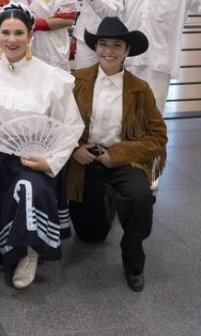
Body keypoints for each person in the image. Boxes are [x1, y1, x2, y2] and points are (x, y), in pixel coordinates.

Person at [0, 6, 83, 289]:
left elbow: (72, 126)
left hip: (31, 158)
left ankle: (29, 252)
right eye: (6, 33)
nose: (11, 40)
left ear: (30, 35)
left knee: (30, 188)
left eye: (19, 33)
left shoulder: (50, 77)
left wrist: (51, 162)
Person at [67, 17, 167, 293]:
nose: (108, 50)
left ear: (127, 51)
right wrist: (75, 150)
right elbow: (58, 123)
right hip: (86, 157)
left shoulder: (139, 88)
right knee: (90, 236)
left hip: (124, 157)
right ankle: (106, 206)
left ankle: (133, 258)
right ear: (96, 47)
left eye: (116, 45)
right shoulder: (77, 79)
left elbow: (158, 136)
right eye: (103, 44)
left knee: (139, 197)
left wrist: (118, 154)